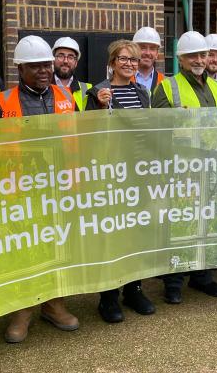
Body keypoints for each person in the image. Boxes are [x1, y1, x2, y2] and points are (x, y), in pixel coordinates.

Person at [0, 35, 80, 343]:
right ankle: (23, 309)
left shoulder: (67, 98)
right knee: (24, 250)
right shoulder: (2, 102)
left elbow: (83, 139)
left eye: (46, 64)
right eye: (35, 66)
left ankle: (54, 304)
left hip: (60, 189)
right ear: (20, 69)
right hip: (21, 191)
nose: (43, 70)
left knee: (60, 246)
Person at [152, 31, 217, 303]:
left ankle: (202, 276)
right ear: (181, 59)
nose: (199, 60)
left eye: (203, 54)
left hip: (214, 167)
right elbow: (157, 131)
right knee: (180, 224)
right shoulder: (167, 87)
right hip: (181, 168)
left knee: (209, 221)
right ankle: (173, 281)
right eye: (192, 55)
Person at [84, 40, 155, 322]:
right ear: (112, 62)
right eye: (124, 59)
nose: (129, 64)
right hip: (110, 176)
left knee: (136, 232)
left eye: (134, 60)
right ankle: (109, 296)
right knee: (111, 235)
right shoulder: (97, 92)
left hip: (138, 173)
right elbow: (87, 132)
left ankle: (134, 289)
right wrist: (99, 108)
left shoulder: (143, 92)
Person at [52, 36, 92, 111]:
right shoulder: (43, 88)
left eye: (70, 57)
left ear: (76, 63)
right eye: (61, 56)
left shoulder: (87, 89)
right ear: (53, 60)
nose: (65, 61)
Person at [131, 26, 165, 93]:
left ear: (157, 53)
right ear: (134, 50)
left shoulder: (165, 82)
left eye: (152, 49)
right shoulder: (123, 79)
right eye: (143, 48)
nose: (147, 53)